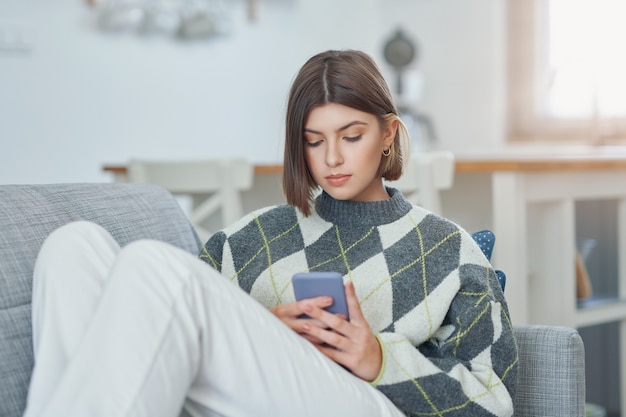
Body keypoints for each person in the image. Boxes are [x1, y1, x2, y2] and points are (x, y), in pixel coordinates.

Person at [24, 50, 518, 417]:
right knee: (72, 247)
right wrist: (266, 329)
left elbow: (495, 403)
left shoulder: (450, 249)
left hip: (370, 403)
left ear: (388, 133)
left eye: (351, 136)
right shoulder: (249, 238)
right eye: (313, 141)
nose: (332, 159)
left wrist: (379, 359)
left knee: (153, 264)